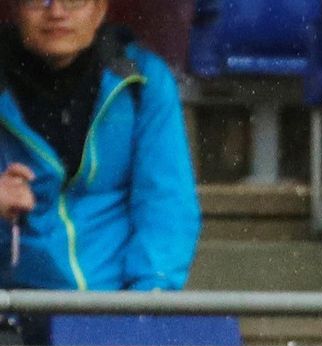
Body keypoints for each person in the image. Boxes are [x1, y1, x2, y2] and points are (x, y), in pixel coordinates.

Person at [0, 0, 199, 291]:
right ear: (15, 8)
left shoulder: (144, 81)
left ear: (100, 9)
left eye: (74, 0)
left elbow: (166, 202)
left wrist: (147, 302)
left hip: (114, 304)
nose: (56, 12)